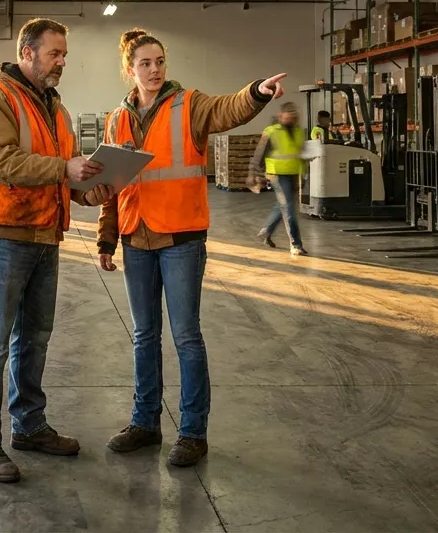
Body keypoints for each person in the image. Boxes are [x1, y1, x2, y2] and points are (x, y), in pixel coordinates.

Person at [96, 29, 286, 468]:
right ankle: (144, 424)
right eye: (145, 63)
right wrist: (107, 237)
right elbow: (112, 186)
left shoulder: (189, 105)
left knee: (185, 337)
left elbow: (228, 109)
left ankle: (192, 432)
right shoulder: (116, 120)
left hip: (181, 238)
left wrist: (256, 92)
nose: (155, 69)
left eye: (160, 61)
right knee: (144, 336)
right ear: (129, 69)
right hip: (136, 238)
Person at [0, 17, 115, 484]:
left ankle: (28, 426)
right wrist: (64, 169)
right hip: (4, 235)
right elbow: (1, 161)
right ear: (26, 52)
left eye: (64, 55)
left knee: (33, 340)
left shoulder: (56, 108)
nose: (62, 62)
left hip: (45, 237)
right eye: (55, 54)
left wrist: (92, 191)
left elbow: (62, 175)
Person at [250, 102, 308, 256]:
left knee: (282, 205)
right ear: (282, 115)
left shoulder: (299, 132)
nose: (293, 118)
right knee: (289, 208)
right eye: (290, 114)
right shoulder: (271, 131)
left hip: (293, 173)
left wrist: (302, 175)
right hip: (277, 174)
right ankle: (296, 244)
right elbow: (259, 154)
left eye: (295, 115)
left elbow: (300, 155)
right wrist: (254, 174)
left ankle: (266, 231)